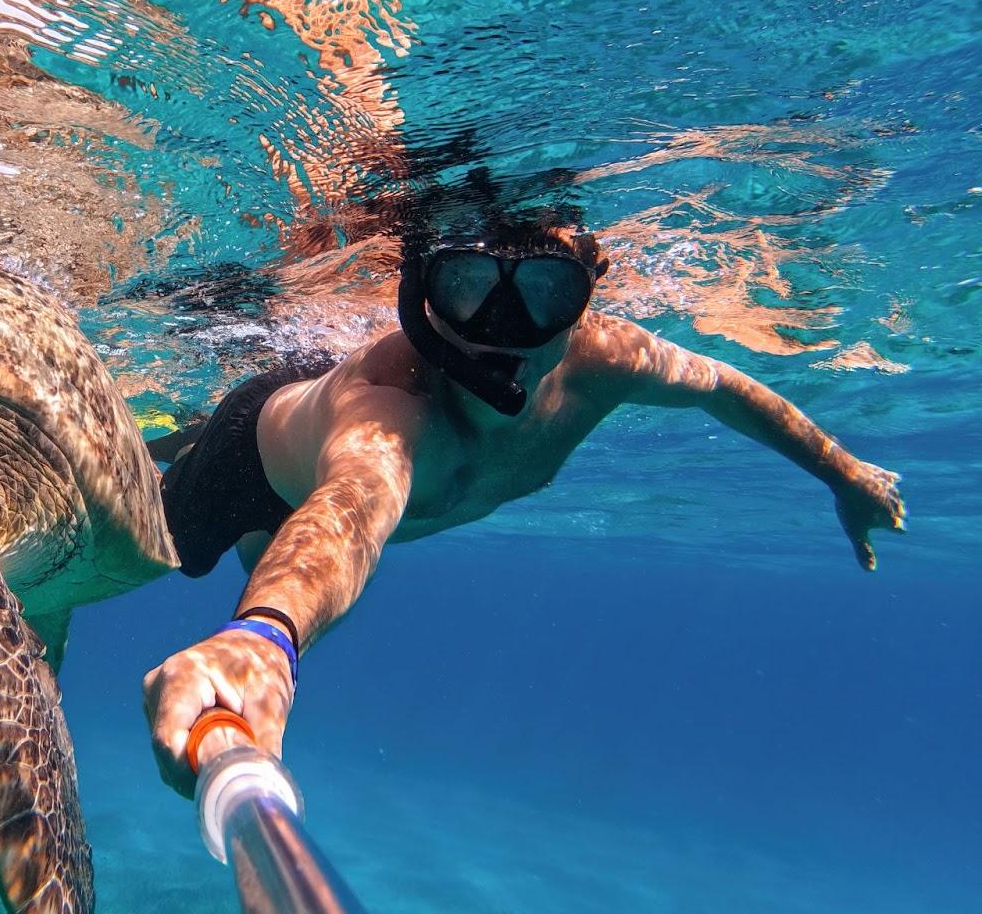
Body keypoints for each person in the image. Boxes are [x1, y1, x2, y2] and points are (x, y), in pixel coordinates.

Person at [144, 218, 906, 795]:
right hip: (254, 458)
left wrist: (843, 474)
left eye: (543, 292)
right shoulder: (392, 402)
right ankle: (186, 436)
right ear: (423, 294)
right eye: (468, 289)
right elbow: (354, 501)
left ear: (584, 296)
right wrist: (265, 638)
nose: (501, 333)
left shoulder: (606, 360)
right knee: (147, 546)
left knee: (253, 551)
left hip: (296, 484)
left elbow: (728, 390)